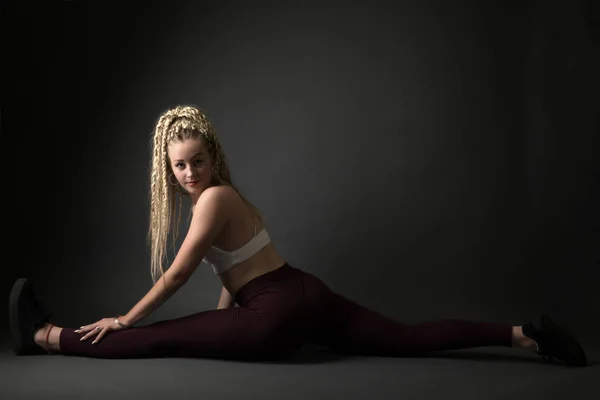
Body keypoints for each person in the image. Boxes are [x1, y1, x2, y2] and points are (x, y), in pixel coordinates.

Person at [9, 105, 588, 366]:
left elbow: (180, 273)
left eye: (196, 161)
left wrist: (127, 318)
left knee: (162, 336)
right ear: (168, 167)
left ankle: (45, 335)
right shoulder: (225, 196)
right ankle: (524, 335)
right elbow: (234, 274)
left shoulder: (212, 199)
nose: (189, 173)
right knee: (404, 338)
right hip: (304, 293)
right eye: (178, 165)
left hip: (276, 315)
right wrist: (224, 324)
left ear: (212, 157)